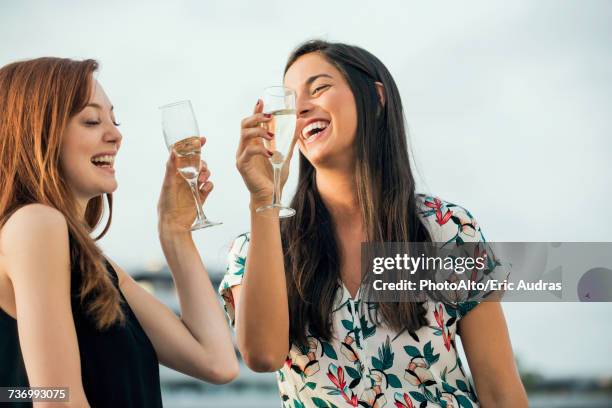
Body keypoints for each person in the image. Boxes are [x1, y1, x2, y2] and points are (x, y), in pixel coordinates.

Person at [222, 40, 528, 407]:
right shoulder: (257, 246)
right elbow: (262, 356)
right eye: (289, 101)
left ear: (377, 98)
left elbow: (501, 392)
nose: (300, 108)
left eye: (318, 88)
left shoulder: (448, 229)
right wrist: (263, 201)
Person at [0, 57, 239, 407]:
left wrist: (175, 232)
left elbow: (217, 362)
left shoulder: (93, 265)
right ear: (35, 131)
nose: (115, 135)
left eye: (114, 119)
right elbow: (56, 400)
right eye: (92, 120)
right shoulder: (36, 223)